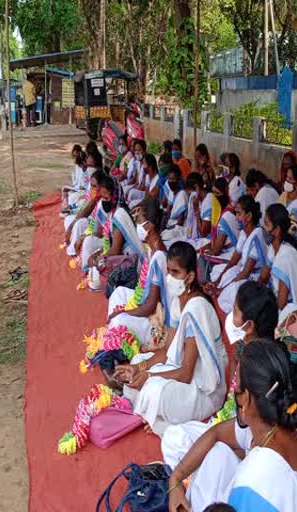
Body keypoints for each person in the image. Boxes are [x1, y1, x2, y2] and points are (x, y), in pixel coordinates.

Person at [167, 340, 297, 512]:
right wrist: (175, 479)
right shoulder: (277, 427)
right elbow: (216, 433)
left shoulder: (250, 480)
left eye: (236, 386)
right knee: (219, 453)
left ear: (245, 398)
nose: (233, 391)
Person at [162, 281, 280, 469]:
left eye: (235, 310)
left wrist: (226, 447)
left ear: (249, 326)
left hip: (250, 444)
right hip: (235, 427)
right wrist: (229, 401)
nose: (231, 316)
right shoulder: (246, 346)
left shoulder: (263, 369)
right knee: (174, 435)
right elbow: (234, 369)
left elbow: (260, 433)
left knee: (196, 448)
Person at [115, 241, 228, 435]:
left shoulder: (196, 309)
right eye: (168, 271)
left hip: (203, 388)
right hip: (181, 371)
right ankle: (157, 416)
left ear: (190, 276)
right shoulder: (178, 303)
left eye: (175, 272)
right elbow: (168, 351)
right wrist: (139, 368)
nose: (169, 278)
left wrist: (148, 376)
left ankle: (165, 425)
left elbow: (186, 374)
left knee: (151, 389)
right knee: (137, 363)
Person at [105, 198, 169, 347]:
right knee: (118, 292)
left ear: (149, 226)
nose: (137, 225)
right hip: (146, 302)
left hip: (155, 318)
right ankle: (115, 334)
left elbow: (151, 306)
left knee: (119, 320)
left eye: (139, 220)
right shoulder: (151, 246)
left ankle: (117, 343)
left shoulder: (158, 256)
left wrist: (124, 313)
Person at [207, 195, 268, 314]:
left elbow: (245, 273)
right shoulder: (244, 233)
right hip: (244, 272)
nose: (236, 218)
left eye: (239, 214)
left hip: (256, 279)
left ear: (249, 216)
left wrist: (221, 290)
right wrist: (218, 282)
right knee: (222, 272)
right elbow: (233, 261)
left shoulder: (257, 235)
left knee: (233, 290)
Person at [260, 204, 297, 321]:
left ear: (277, 229)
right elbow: (263, 277)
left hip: (296, 310)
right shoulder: (274, 248)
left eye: (266, 224)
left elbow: (281, 303)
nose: (263, 227)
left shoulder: (285, 255)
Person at [64, 169, 106, 257]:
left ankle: (75, 251)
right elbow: (82, 208)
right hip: (92, 223)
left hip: (101, 233)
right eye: (91, 185)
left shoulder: (103, 200)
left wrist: (83, 235)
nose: (91, 188)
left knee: (80, 223)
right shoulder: (93, 194)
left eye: (94, 186)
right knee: (69, 219)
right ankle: (72, 246)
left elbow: (100, 230)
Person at [206, 178, 240, 258]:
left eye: (217, 193)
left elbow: (216, 250)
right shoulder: (221, 211)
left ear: (225, 193)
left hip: (230, 253)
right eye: (213, 193)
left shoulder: (227, 215)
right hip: (224, 251)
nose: (215, 196)